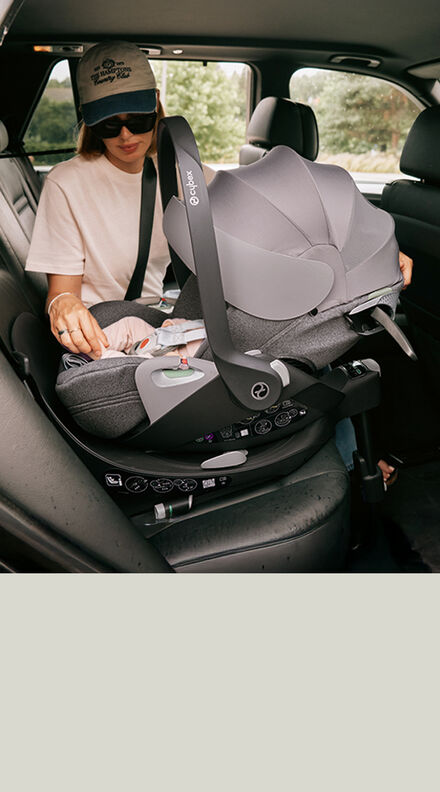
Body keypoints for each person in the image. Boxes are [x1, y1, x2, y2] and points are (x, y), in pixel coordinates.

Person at [26, 40, 214, 358]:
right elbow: (62, 293)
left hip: (157, 319)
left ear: (155, 105)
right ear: (89, 120)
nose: (126, 135)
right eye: (110, 124)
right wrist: (63, 305)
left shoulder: (190, 177)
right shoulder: (66, 183)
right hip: (100, 330)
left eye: (138, 121)